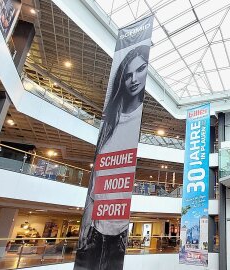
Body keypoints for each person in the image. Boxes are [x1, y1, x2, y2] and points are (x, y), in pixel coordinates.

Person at [74, 45, 150, 270]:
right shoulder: (111, 120)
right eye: (128, 74)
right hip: (94, 231)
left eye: (141, 69)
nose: (134, 79)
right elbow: (97, 174)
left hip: (120, 236)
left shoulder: (136, 123)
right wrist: (88, 217)